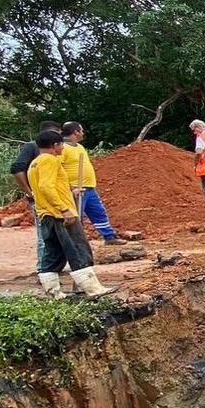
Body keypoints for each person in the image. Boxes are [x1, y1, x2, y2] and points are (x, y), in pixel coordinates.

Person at [27, 129, 114, 298]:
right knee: (78, 249)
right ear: (55, 145)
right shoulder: (49, 161)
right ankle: (92, 289)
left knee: (53, 254)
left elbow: (47, 187)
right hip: (59, 215)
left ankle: (53, 292)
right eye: (61, 145)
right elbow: (46, 187)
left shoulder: (35, 163)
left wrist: (71, 191)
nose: (64, 149)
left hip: (46, 214)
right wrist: (64, 208)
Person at [61, 122, 127, 246]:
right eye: (81, 130)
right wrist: (70, 188)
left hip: (89, 188)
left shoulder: (79, 147)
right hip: (76, 190)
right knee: (76, 218)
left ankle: (109, 237)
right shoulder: (63, 149)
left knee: (99, 212)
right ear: (76, 132)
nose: (83, 133)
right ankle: (76, 243)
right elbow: (59, 170)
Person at [11, 119, 61, 272]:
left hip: (53, 198)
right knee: (45, 235)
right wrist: (29, 192)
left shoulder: (51, 155)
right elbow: (17, 168)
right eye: (57, 135)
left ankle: (53, 267)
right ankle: (44, 269)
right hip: (42, 199)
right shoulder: (33, 148)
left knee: (54, 235)